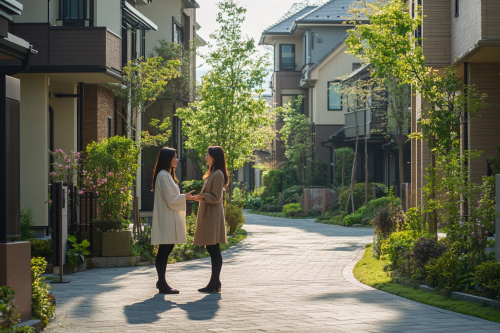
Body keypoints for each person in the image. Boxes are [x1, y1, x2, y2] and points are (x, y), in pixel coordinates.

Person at [151, 147, 195, 294]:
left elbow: (171, 198)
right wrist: (185, 197)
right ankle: (162, 283)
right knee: (164, 250)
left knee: (166, 249)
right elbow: (170, 200)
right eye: (175, 157)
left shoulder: (167, 175)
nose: (177, 159)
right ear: (167, 158)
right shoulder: (163, 176)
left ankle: (161, 281)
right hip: (166, 218)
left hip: (169, 217)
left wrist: (184, 197)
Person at [192, 146, 229, 293]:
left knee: (213, 248)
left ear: (214, 157)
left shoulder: (218, 174)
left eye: (207, 154)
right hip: (210, 215)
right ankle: (215, 282)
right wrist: (200, 197)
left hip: (212, 216)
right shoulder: (214, 173)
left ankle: (214, 283)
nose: (205, 157)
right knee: (212, 248)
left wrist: (202, 197)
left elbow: (216, 197)